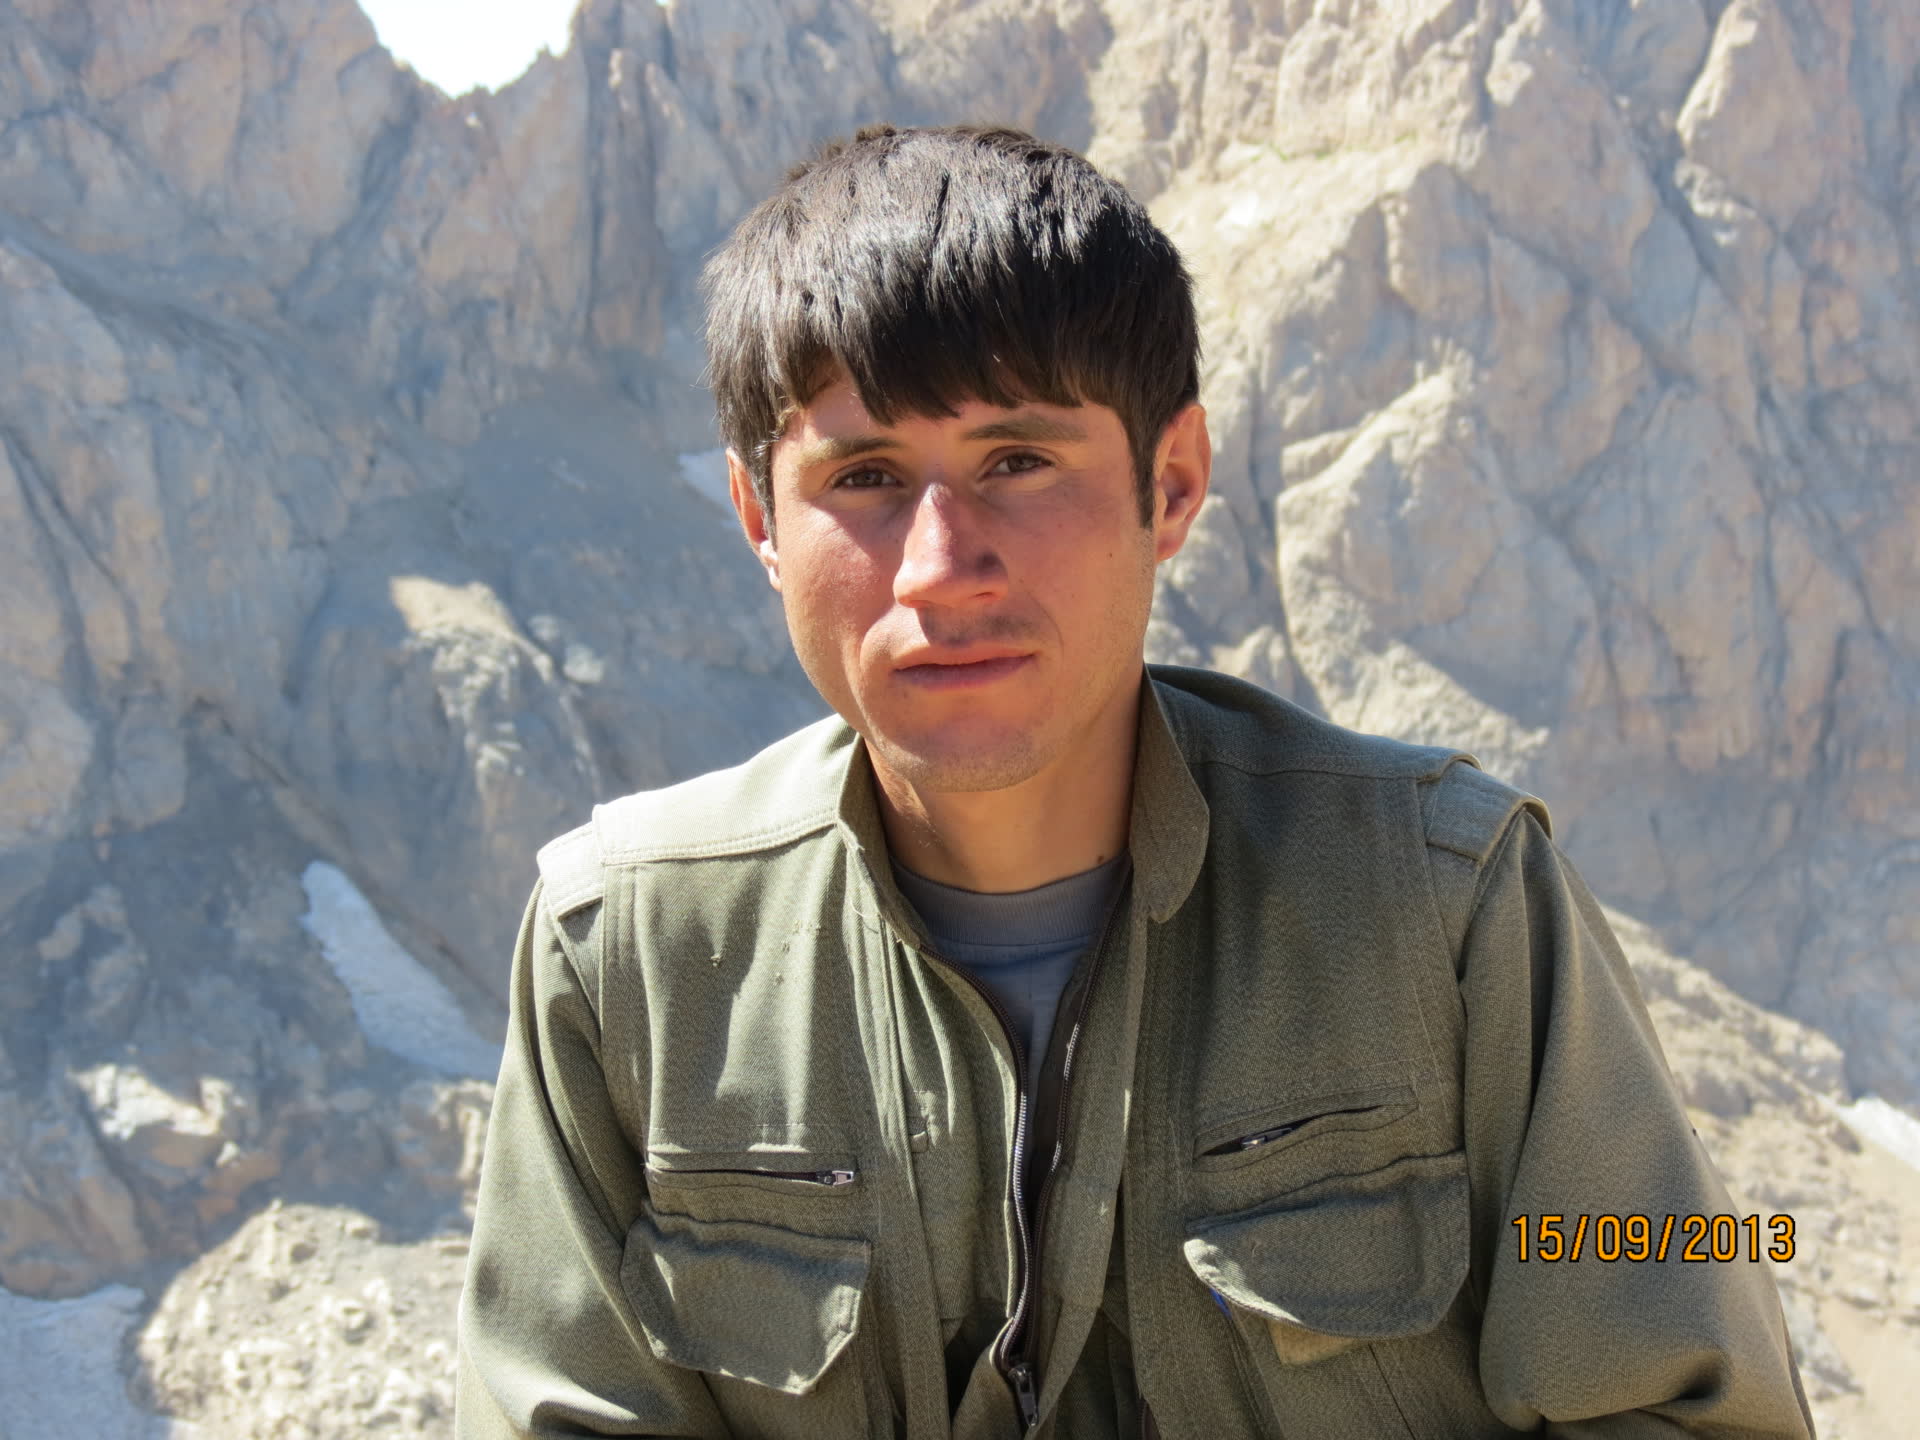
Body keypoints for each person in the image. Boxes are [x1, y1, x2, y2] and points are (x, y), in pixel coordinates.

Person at [455, 124, 1813, 1439]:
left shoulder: (1454, 906)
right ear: (760, 519)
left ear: (1172, 484)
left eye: (1017, 462)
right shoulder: (627, 955)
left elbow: (1689, 1396)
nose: (940, 568)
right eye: (864, 477)